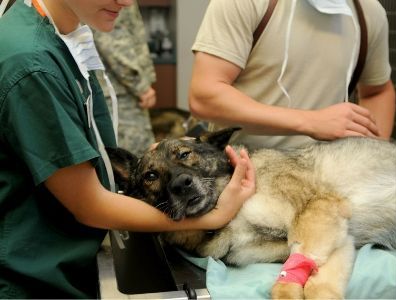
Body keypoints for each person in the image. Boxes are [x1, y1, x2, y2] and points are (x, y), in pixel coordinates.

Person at [0, 0, 256, 298]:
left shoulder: (62, 36)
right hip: (32, 281)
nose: (126, 1)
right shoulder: (32, 64)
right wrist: (215, 215)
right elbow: (89, 204)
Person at [189, 0, 396, 150]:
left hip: (329, 177)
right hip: (244, 173)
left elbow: (377, 91)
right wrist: (310, 122)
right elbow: (205, 96)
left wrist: (371, 156)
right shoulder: (245, 3)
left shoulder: (369, 12)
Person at [94, 2, 157, 157]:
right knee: (134, 162)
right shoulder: (114, 4)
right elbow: (113, 43)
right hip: (119, 94)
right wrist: (141, 86)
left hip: (118, 90)